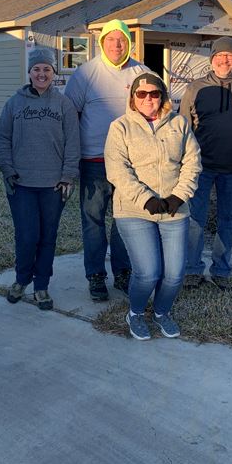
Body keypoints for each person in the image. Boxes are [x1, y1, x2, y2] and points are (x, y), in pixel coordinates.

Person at [104, 73, 202, 340]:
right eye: (142, 94)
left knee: (174, 274)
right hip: (135, 210)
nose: (148, 99)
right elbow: (116, 169)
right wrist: (145, 199)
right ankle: (135, 312)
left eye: (154, 93)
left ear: (163, 96)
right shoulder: (120, 127)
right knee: (148, 272)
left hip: (174, 209)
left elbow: (192, 163)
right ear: (133, 98)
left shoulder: (179, 124)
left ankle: (161, 312)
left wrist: (178, 197)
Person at [65, 19, 149, 301]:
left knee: (125, 220)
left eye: (122, 39)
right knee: (93, 221)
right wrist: (73, 158)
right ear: (102, 43)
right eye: (111, 39)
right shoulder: (85, 74)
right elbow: (70, 117)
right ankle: (96, 276)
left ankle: (123, 272)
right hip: (94, 161)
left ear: (129, 42)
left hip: (131, 163)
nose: (117, 44)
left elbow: (153, 113)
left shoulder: (142, 72)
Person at [0, 47, 80, 311]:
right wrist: (7, 170)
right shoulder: (14, 103)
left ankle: (41, 286)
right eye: (37, 69)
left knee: (47, 236)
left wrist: (68, 176)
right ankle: (22, 280)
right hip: (21, 184)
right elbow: (3, 138)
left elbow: (73, 143)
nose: (41, 73)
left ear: (54, 73)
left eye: (47, 69)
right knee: (26, 236)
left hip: (53, 185)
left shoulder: (63, 104)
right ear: (29, 72)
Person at [180, 37, 232, 291]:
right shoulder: (195, 88)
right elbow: (183, 127)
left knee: (229, 219)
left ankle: (221, 270)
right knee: (194, 219)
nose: (224, 60)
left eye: (230, 56)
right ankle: (192, 268)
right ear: (211, 59)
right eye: (219, 56)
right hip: (201, 167)